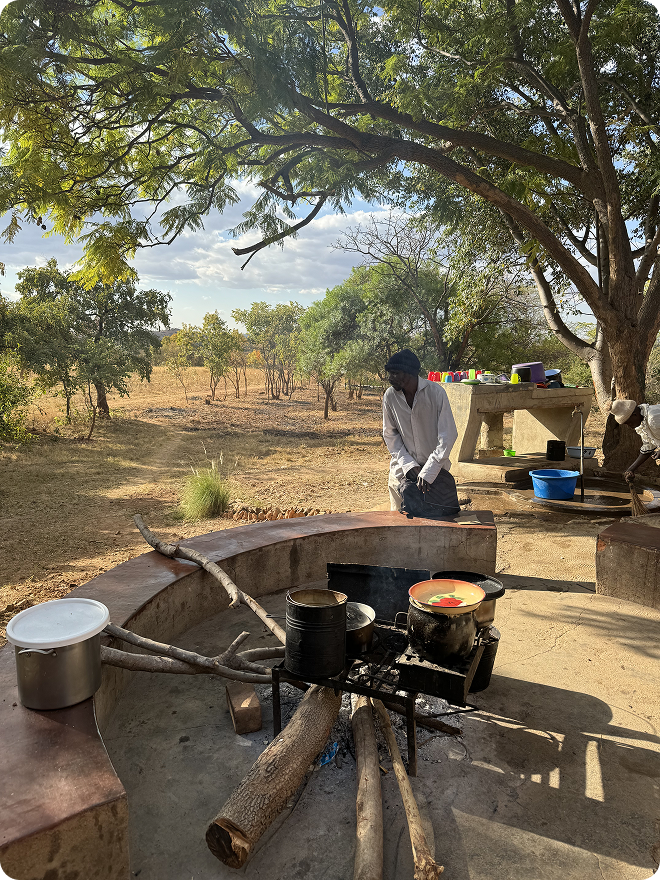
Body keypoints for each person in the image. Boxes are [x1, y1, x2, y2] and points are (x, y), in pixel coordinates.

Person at [382, 349, 459, 515]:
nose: (390, 378)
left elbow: (448, 436)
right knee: (400, 525)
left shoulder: (436, 393)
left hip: (435, 476)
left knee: (434, 525)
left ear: (410, 373)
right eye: (390, 373)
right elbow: (390, 434)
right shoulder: (390, 396)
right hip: (401, 473)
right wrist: (408, 464)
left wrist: (429, 471)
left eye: (395, 373)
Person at [611, 399, 660, 482]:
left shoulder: (653, 418)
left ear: (635, 414)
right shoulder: (643, 425)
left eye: (629, 423)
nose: (630, 426)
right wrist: (630, 470)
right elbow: (648, 447)